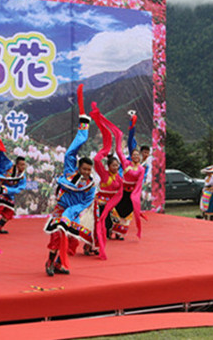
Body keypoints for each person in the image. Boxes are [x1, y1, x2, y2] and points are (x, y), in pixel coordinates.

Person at [44, 85, 96, 276]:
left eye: (89, 170)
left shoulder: (89, 185)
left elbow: (86, 202)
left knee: (73, 240)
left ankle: (59, 264)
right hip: (61, 210)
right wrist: (83, 126)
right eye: (84, 169)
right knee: (58, 237)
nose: (86, 172)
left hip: (73, 213)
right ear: (79, 167)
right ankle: (50, 263)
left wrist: (72, 212)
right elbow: (71, 153)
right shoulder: (69, 174)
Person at [93, 104, 145, 245]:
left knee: (127, 214)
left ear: (140, 157)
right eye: (134, 155)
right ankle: (112, 231)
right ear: (131, 156)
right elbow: (120, 151)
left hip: (131, 193)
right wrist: (119, 136)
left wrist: (135, 195)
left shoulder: (141, 169)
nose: (136, 156)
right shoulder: (125, 164)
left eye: (138, 155)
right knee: (116, 212)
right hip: (121, 192)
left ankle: (120, 234)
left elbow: (139, 182)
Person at [0, 135, 27, 234]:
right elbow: (2, 155)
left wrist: (7, 190)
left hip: (8, 193)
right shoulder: (8, 165)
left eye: (24, 165)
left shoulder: (22, 176)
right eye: (21, 164)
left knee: (9, 212)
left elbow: (20, 188)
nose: (23, 167)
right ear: (16, 164)